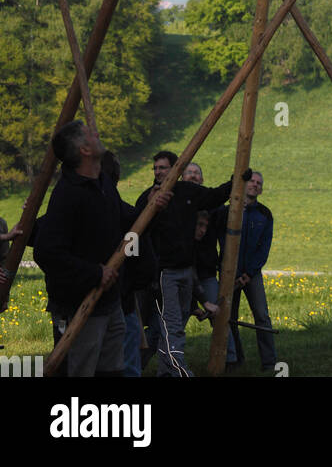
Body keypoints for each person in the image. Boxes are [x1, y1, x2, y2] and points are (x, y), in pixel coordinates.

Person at [34, 120, 164, 376]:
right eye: (90, 134)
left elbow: (127, 225)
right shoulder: (68, 194)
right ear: (84, 150)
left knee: (111, 371)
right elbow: (46, 253)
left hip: (110, 302)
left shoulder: (102, 183)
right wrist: (95, 273)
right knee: (80, 370)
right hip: (80, 305)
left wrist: (150, 209)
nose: (97, 134)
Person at [134, 150, 249, 378]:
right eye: (155, 168)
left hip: (187, 269)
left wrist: (237, 179)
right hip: (164, 273)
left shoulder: (187, 191)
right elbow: (136, 229)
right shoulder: (149, 197)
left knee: (173, 326)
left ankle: (165, 372)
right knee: (172, 326)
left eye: (163, 168)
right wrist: (151, 207)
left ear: (176, 169)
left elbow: (215, 196)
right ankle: (179, 372)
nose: (158, 172)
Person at [222, 172, 276, 371]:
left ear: (261, 189)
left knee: (262, 316)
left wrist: (249, 273)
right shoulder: (229, 211)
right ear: (244, 185)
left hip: (252, 276)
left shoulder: (265, 214)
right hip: (229, 274)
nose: (254, 185)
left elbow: (264, 247)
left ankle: (269, 363)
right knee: (230, 317)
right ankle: (235, 360)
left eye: (258, 183)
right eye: (251, 181)